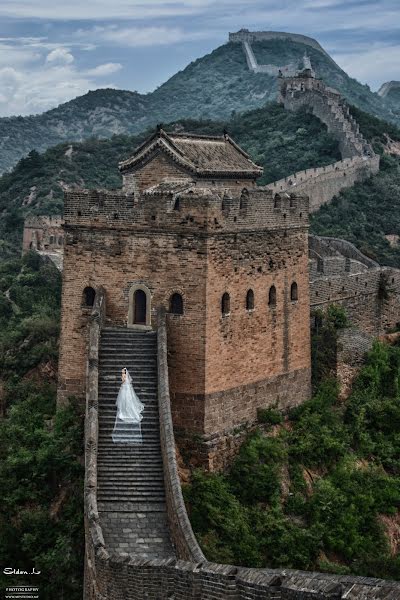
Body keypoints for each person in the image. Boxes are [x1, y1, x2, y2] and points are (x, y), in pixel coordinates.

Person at [111, 367, 144, 444]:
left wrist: (122, 385)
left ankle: (126, 410)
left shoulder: (124, 376)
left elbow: (123, 381)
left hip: (125, 388)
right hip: (126, 388)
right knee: (126, 400)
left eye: (122, 372)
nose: (122, 373)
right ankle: (125, 409)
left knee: (125, 400)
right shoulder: (126, 377)